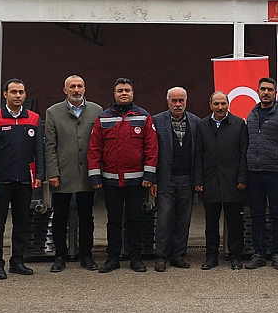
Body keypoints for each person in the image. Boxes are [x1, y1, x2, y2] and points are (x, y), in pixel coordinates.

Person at [88, 78, 158, 274]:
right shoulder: (103, 118)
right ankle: (112, 258)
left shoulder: (143, 117)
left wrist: (149, 175)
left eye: (127, 90)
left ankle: (135, 257)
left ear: (133, 93)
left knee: (135, 219)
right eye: (120, 90)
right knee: (114, 220)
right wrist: (95, 176)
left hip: (136, 181)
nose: (124, 93)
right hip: (111, 180)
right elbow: (94, 149)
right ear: (115, 94)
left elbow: (151, 148)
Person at [0, 78, 45, 280]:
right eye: (13, 92)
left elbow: (39, 150)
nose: (18, 95)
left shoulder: (34, 119)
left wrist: (39, 176)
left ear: (25, 95)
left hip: (25, 181)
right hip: (1, 181)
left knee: (21, 223)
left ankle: (17, 261)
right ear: (5, 95)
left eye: (21, 92)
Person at [44, 75, 102, 272]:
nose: (76, 90)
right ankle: (60, 255)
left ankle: (86, 255)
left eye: (79, 86)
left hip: (88, 173)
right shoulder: (53, 112)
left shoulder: (97, 111)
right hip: (63, 173)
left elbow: (100, 144)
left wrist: (97, 173)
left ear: (85, 88)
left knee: (87, 217)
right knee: (60, 216)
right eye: (72, 87)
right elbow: (50, 145)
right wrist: (52, 172)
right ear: (65, 90)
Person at [244, 77, 278, 270]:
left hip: (275, 173)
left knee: (276, 214)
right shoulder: (251, 115)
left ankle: (277, 254)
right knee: (256, 213)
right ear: (257, 91)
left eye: (270, 90)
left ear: (276, 93)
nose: (266, 92)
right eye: (263, 89)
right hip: (254, 172)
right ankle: (258, 253)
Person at [194, 91, 248, 270]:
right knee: (211, 223)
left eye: (223, 103)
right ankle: (211, 257)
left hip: (233, 182)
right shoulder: (202, 125)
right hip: (210, 181)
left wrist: (242, 177)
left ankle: (235, 256)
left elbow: (243, 154)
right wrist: (198, 180)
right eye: (216, 104)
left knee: (234, 223)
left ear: (228, 104)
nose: (220, 107)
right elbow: (198, 155)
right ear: (210, 105)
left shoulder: (239, 124)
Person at [151, 87, 200, 272]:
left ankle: (178, 255)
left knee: (183, 219)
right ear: (167, 101)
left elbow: (199, 154)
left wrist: (197, 180)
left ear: (186, 101)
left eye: (181, 100)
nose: (177, 104)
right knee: (164, 219)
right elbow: (151, 153)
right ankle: (161, 257)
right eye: (174, 100)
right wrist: (153, 179)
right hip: (165, 178)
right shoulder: (156, 121)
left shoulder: (195, 122)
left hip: (187, 178)